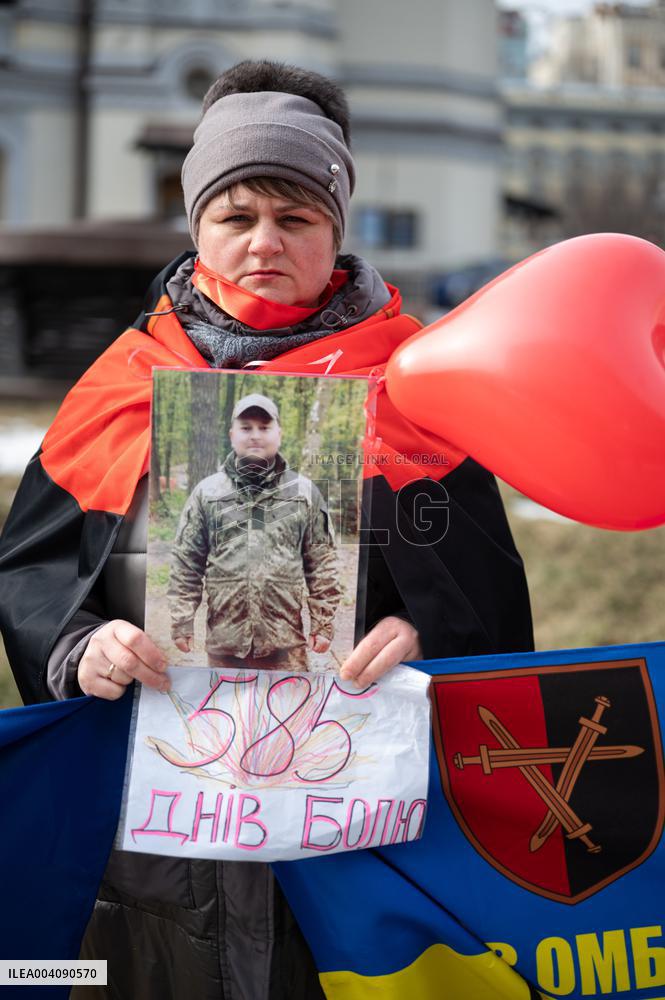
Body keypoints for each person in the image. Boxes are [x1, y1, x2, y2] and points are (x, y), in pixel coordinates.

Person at [0, 60, 533, 1000]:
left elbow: (480, 593)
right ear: (196, 227)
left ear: (337, 228)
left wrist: (425, 637)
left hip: (355, 816)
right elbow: (33, 569)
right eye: (234, 217)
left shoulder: (415, 388)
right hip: (157, 833)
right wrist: (81, 646)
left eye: (295, 219)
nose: (263, 243)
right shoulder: (122, 381)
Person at [168, 392, 341, 671]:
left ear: (279, 433)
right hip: (225, 647)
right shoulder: (207, 494)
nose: (255, 435)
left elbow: (322, 563)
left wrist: (323, 623)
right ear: (232, 434)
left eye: (264, 427)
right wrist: (182, 621)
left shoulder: (303, 493)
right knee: (224, 714)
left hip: (286, 647)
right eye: (246, 427)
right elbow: (187, 563)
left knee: (292, 714)